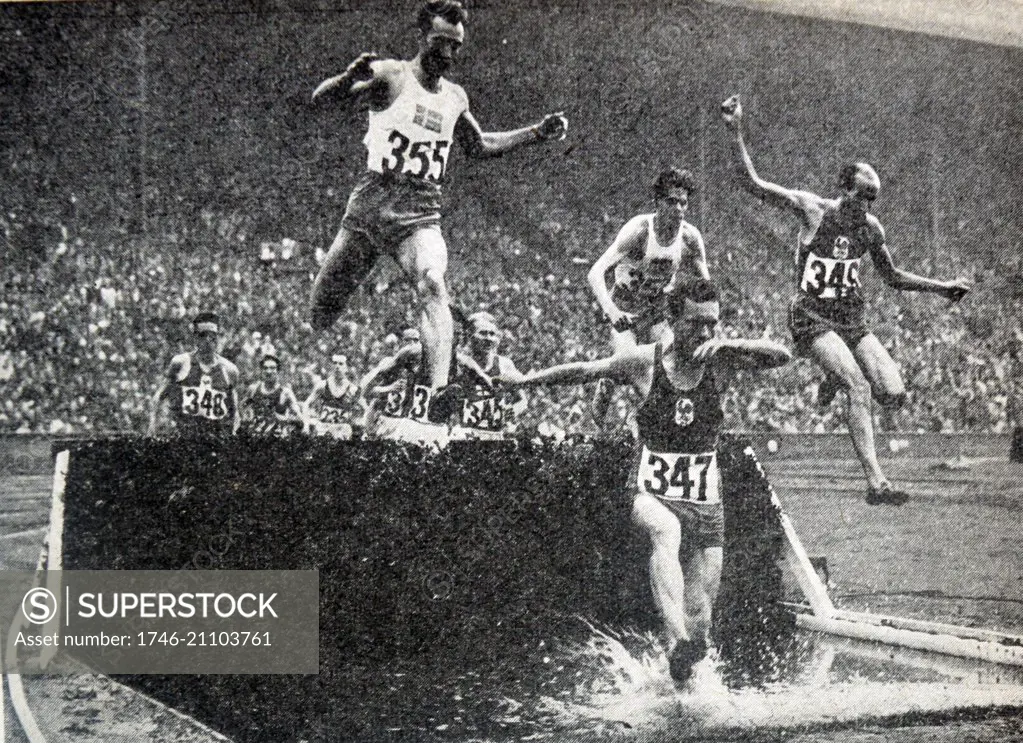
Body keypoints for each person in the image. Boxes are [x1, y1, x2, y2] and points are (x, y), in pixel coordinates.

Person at [501, 278, 791, 683]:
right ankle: (678, 638)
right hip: (650, 490)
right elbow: (585, 370)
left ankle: (682, 672)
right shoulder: (645, 362)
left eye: (713, 324)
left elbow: (782, 355)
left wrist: (732, 345)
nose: (706, 333)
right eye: (696, 324)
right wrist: (525, 381)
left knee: (701, 616)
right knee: (665, 530)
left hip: (705, 498)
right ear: (673, 320)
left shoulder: (721, 360)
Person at [309, 0, 568, 413]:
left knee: (433, 283)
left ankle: (440, 388)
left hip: (420, 213)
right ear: (421, 37)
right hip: (371, 208)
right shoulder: (392, 75)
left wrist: (536, 133)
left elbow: (479, 145)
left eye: (456, 46)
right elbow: (320, 102)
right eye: (440, 43)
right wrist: (345, 80)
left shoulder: (454, 98)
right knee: (321, 311)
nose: (447, 54)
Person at [721, 94, 971, 505]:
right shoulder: (813, 211)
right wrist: (735, 131)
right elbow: (753, 184)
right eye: (862, 195)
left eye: (873, 198)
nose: (867, 205)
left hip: (851, 320)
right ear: (843, 189)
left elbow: (892, 277)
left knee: (893, 392)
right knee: (859, 386)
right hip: (812, 316)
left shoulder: (871, 229)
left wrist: (942, 287)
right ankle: (877, 483)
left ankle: (833, 376)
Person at [587, 167, 710, 426]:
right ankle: (609, 381)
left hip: (656, 310)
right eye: (671, 201)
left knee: (668, 370)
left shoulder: (689, 237)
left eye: (683, 203)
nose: (678, 208)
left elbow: (705, 286)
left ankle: (656, 426)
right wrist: (611, 312)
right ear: (657, 203)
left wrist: (706, 323)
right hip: (626, 307)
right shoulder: (640, 231)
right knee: (630, 365)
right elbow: (595, 273)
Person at [359, 328, 489, 448]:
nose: (412, 343)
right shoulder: (395, 362)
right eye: (408, 340)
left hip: (421, 424)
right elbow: (367, 391)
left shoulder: (457, 363)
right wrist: (388, 389)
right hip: (392, 421)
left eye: (415, 340)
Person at [147, 312, 240, 438]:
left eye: (212, 336)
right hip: (186, 439)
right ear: (195, 338)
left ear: (218, 337)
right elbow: (158, 397)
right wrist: (153, 425)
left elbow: (234, 410)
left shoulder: (230, 370)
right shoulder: (181, 363)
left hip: (216, 440)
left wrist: (234, 432)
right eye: (203, 335)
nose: (208, 340)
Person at [450, 311, 527, 440]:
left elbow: (522, 401)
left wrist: (507, 415)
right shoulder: (460, 363)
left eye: (492, 334)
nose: (488, 339)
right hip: (464, 435)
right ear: (470, 335)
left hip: (495, 435)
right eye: (483, 333)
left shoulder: (504, 364)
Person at [241, 353, 304, 438]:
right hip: (255, 439)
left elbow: (299, 419)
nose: (268, 371)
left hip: (276, 440)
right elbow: (241, 407)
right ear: (261, 370)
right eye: (265, 368)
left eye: (272, 368)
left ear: (278, 370)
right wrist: (247, 416)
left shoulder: (285, 393)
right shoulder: (253, 389)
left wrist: (282, 419)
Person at [304, 353, 363, 440]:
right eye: (334, 363)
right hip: (323, 429)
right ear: (331, 366)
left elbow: (365, 408)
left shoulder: (352, 389)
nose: (337, 366)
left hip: (342, 431)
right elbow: (307, 404)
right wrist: (306, 424)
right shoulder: (322, 385)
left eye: (341, 364)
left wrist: (359, 424)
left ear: (346, 368)